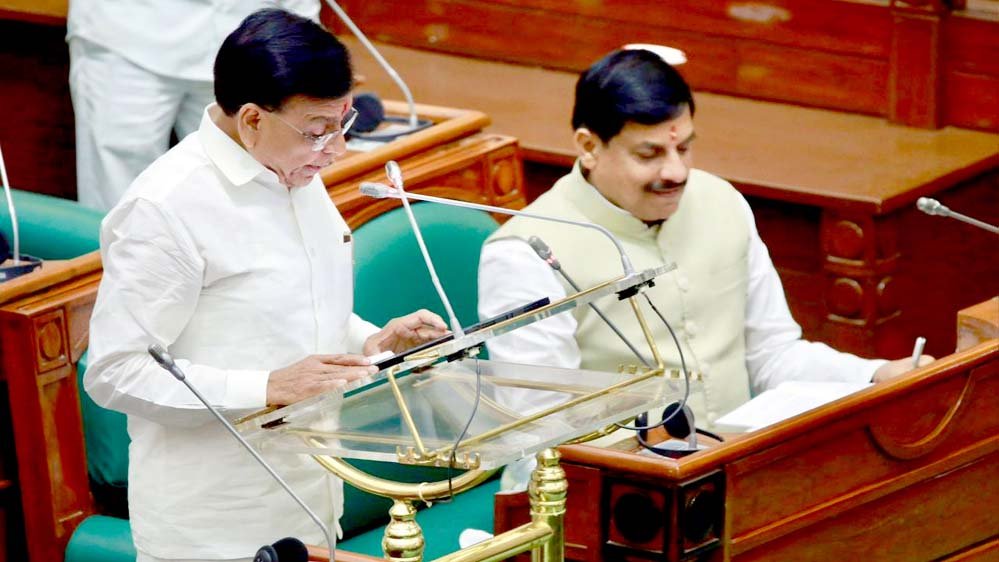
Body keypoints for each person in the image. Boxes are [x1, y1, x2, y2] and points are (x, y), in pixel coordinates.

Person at [85, 10, 449, 562]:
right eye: (318, 130)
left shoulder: (291, 168)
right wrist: (267, 387)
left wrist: (367, 343)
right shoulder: (165, 207)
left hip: (312, 502)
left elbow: (282, 308)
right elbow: (115, 372)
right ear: (253, 119)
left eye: (343, 123)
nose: (337, 149)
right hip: (213, 529)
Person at [478, 47, 933, 431]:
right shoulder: (526, 254)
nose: (676, 172)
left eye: (684, 147)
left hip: (734, 469)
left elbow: (773, 357)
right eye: (649, 154)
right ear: (589, 147)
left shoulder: (721, 202)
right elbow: (541, 426)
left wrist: (875, 374)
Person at [67, 0, 319, 211]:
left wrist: (306, 32)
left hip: (243, 38)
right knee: (119, 188)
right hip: (128, 33)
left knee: (242, 178)